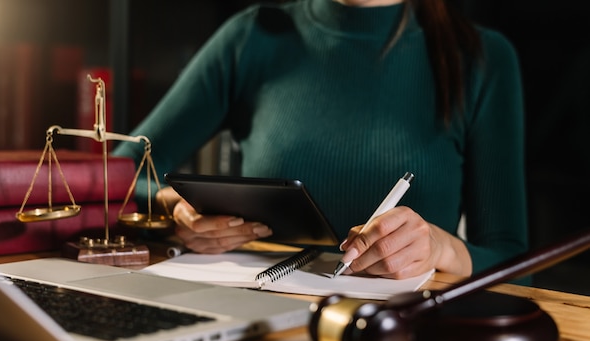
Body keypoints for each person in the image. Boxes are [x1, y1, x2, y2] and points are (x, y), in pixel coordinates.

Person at [113, 0, 528, 281]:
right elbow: (117, 176)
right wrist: (174, 212)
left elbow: (514, 261)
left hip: (401, 337)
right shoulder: (253, 37)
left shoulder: (481, 58)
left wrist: (442, 250)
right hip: (252, 318)